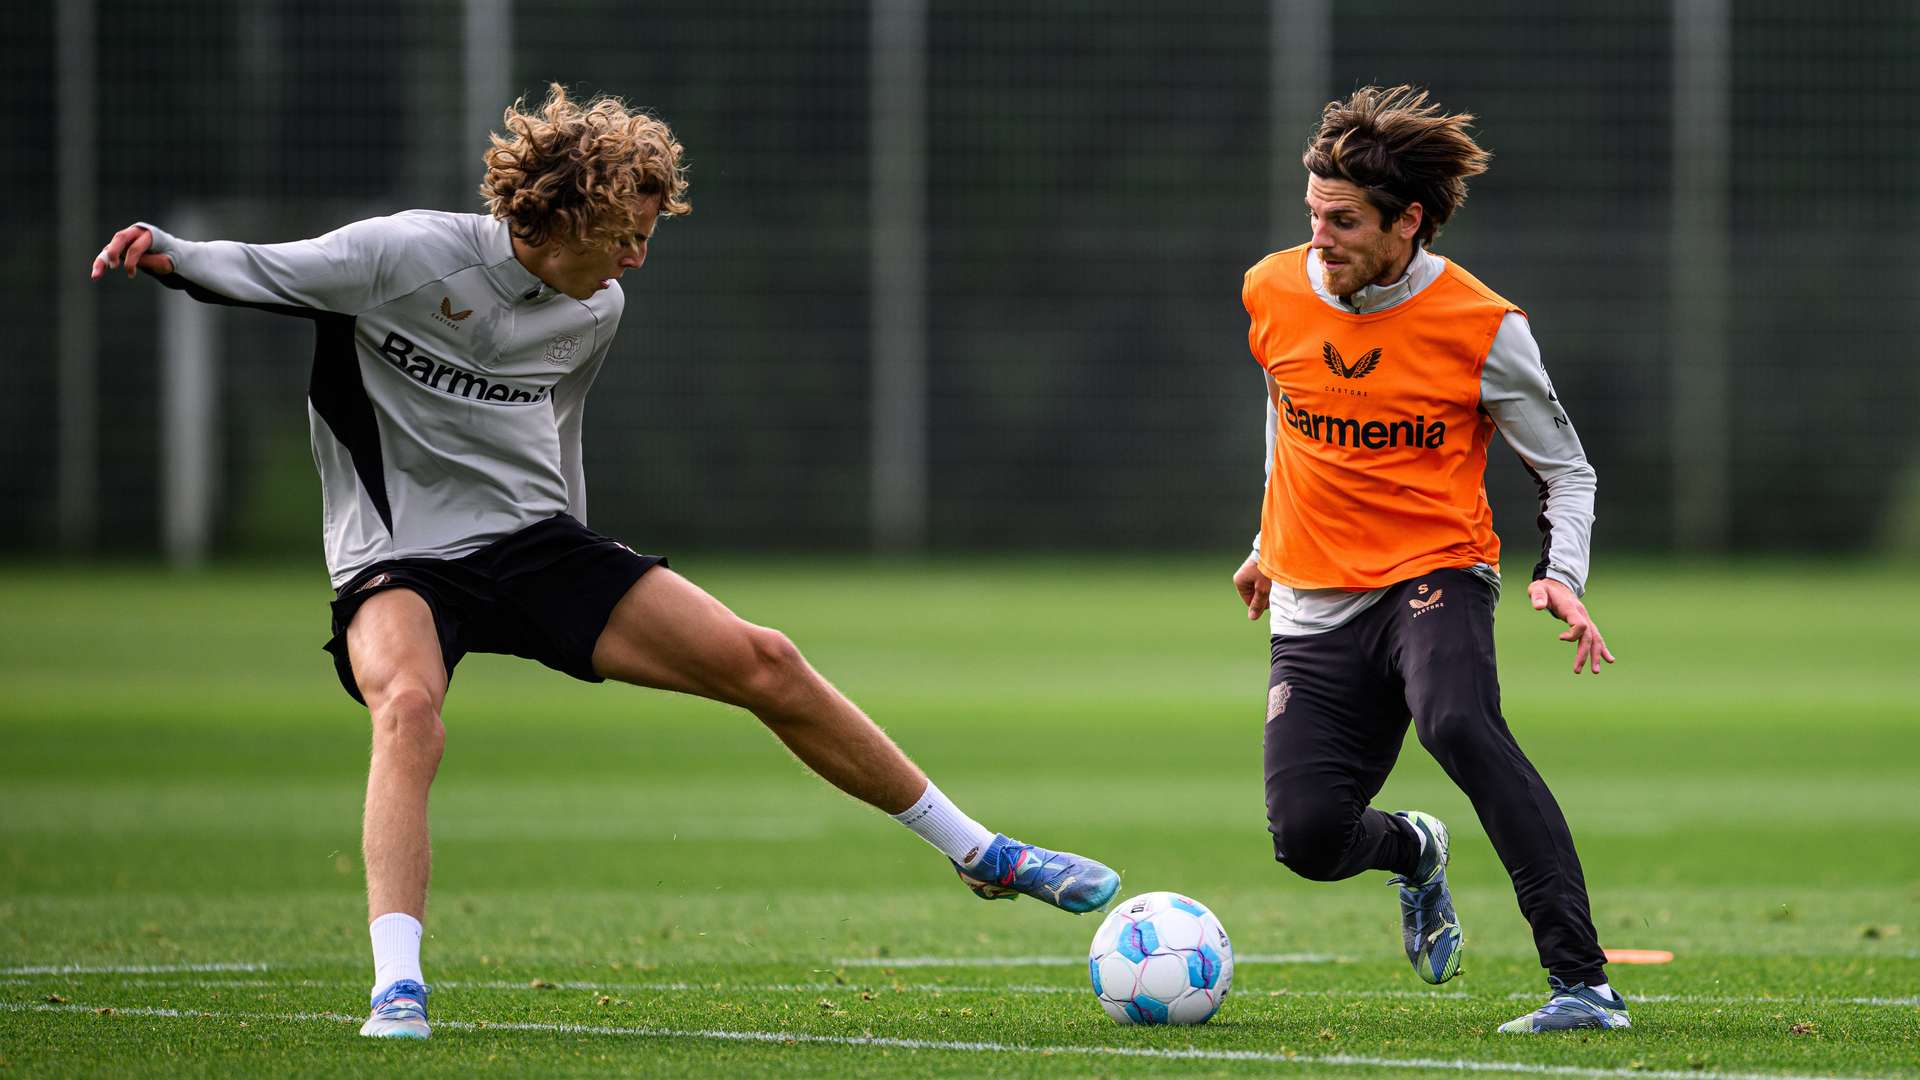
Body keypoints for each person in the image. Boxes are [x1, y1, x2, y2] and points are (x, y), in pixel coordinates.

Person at [90, 84, 1118, 1041]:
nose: (634, 260)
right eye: (624, 236)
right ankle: (396, 985)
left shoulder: (597, 311)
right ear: (563, 215)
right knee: (409, 712)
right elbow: (268, 270)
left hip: (536, 549)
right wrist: (167, 252)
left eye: (645, 237)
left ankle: (982, 854)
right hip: (398, 555)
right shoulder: (406, 256)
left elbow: (558, 430)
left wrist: (589, 579)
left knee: (766, 659)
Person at [1232, 86, 1626, 1034]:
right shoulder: (1271, 289)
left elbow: (1568, 471)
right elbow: (1292, 419)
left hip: (1434, 572)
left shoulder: (1484, 328)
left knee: (1458, 724)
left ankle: (1583, 985)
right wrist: (1263, 543)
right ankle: (1414, 850)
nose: (1320, 240)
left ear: (1408, 222)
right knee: (1310, 838)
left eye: (1345, 222)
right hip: (1313, 598)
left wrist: (1560, 576)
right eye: (1312, 216)